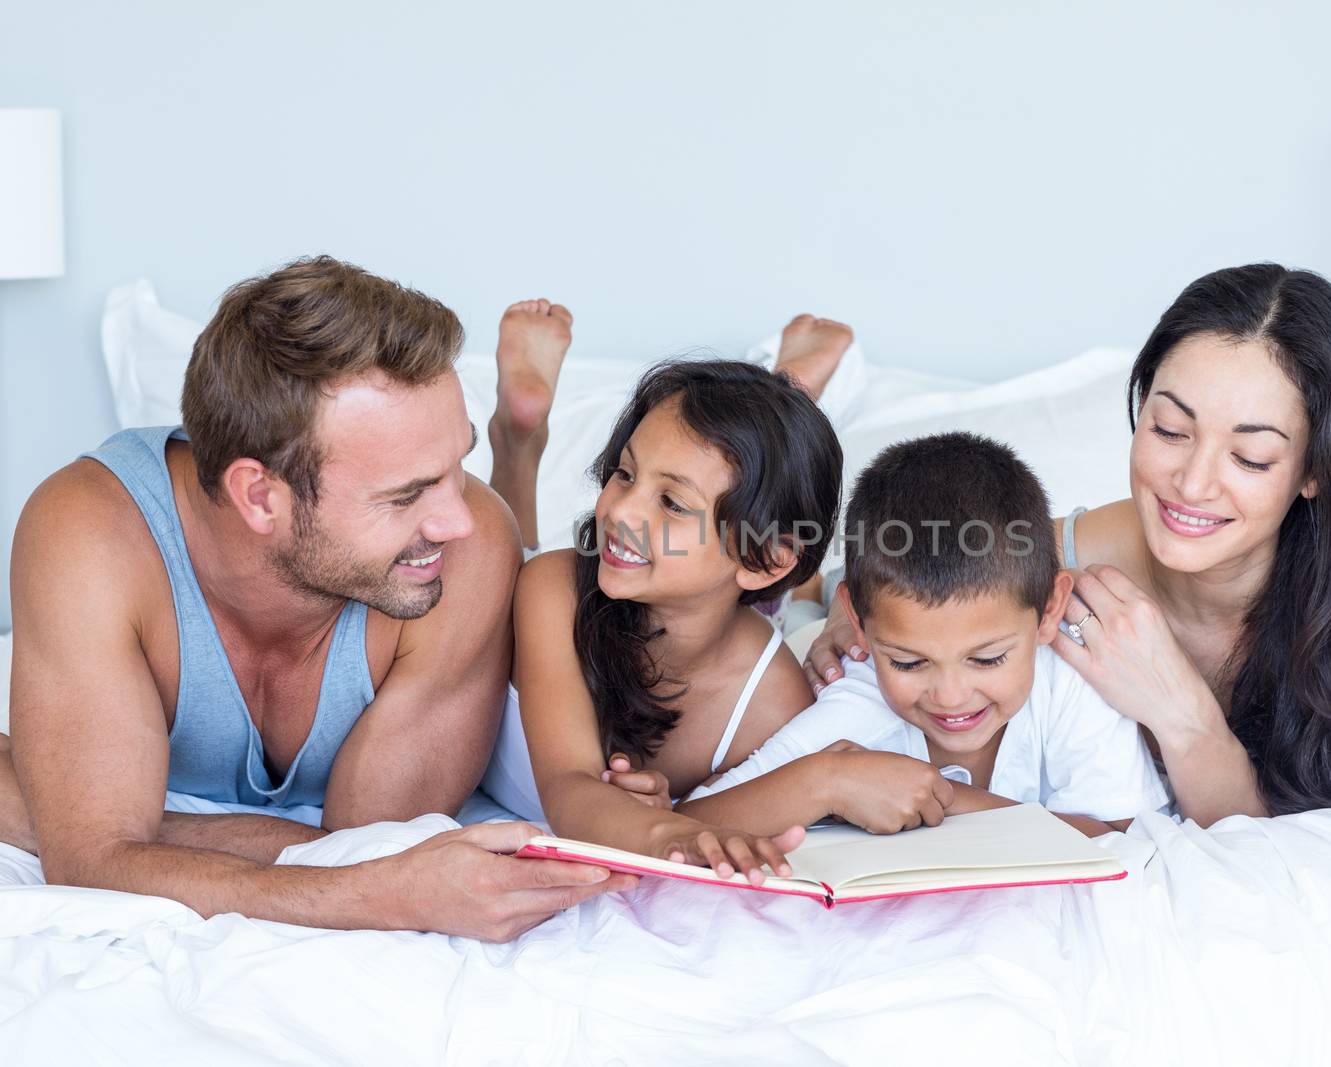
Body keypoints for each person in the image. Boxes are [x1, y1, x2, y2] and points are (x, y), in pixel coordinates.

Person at [0, 257, 633, 941]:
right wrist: (373, 894)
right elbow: (92, 863)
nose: (455, 518)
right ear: (258, 496)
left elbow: (362, 841)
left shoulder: (473, 548)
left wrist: (104, 821)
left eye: (457, 465)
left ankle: (516, 448)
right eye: (406, 493)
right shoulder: (90, 536)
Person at [804, 264, 1331, 826]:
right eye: (1170, 429)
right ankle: (795, 390)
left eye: (1251, 456)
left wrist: (1181, 710)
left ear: (1315, 468)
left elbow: (1284, 834)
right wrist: (843, 605)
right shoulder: (1081, 555)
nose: (1193, 484)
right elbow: (916, 562)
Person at [679, 433, 1169, 837]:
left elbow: (1123, 837)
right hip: (824, 642)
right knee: (806, 628)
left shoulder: (1068, 675)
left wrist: (948, 798)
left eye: (989, 659)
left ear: (1048, 611)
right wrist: (828, 781)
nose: (951, 696)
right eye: (910, 663)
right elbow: (687, 822)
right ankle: (813, 594)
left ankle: (820, 589)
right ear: (861, 625)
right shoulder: (858, 695)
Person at [484, 356, 845, 884]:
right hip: (548, 586)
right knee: (508, 555)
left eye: (672, 502)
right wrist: (659, 832)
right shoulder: (553, 591)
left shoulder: (771, 701)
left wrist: (662, 815)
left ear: (761, 558)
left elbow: (714, 812)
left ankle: (794, 376)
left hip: (745, 603)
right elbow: (569, 787)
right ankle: (518, 442)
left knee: (805, 609)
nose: (621, 511)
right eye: (624, 474)